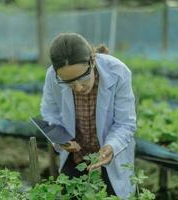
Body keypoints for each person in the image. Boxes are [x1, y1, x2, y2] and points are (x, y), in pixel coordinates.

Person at [40, 32, 137, 199]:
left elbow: (125, 123)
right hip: (76, 154)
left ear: (92, 61)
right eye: (69, 82)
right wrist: (61, 138)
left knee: (114, 194)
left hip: (110, 154)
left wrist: (111, 146)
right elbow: (49, 112)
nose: (78, 88)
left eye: (83, 78)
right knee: (70, 193)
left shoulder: (118, 72)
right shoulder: (52, 76)